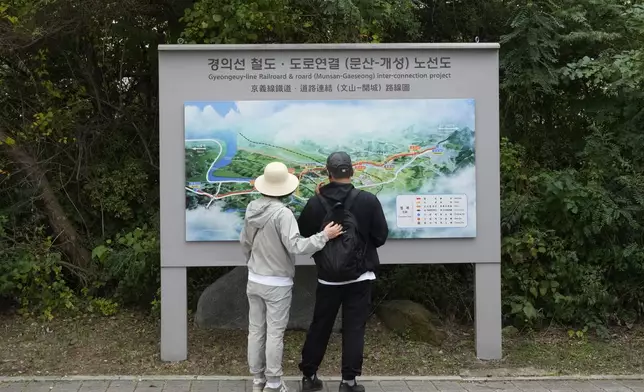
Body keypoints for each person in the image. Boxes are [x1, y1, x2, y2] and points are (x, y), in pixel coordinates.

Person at [240, 161, 344, 392]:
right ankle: (274, 383)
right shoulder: (282, 214)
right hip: (277, 283)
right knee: (274, 334)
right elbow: (296, 246)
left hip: (255, 279)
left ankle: (258, 380)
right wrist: (324, 236)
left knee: (256, 330)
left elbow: (245, 242)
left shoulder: (251, 209)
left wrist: (253, 263)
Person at [297, 152, 389, 392]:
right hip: (360, 276)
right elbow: (380, 237)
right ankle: (348, 382)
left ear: (328, 173)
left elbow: (305, 235)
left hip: (328, 278)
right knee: (354, 327)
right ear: (353, 171)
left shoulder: (315, 203)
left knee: (320, 325)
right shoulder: (368, 200)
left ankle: (309, 376)